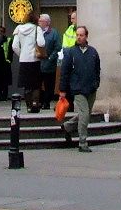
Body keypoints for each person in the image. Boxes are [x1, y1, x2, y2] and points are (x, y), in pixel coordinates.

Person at [59, 24, 102, 152]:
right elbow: (64, 72)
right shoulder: (71, 52)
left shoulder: (93, 52)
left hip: (91, 88)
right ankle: (82, 142)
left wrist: (96, 83)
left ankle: (67, 126)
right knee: (84, 115)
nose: (79, 37)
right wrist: (62, 90)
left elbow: (97, 69)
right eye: (77, 35)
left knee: (86, 114)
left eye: (81, 35)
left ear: (86, 36)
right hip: (77, 88)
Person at [8, 14, 41, 111]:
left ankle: (29, 106)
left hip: (23, 60)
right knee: (35, 84)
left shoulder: (18, 28)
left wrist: (21, 54)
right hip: (35, 59)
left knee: (26, 85)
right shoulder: (37, 29)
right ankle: (35, 103)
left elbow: (14, 46)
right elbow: (41, 43)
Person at [36, 14, 62, 112]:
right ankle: (38, 102)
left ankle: (46, 103)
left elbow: (58, 47)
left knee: (49, 85)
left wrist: (51, 58)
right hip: (38, 63)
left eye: (41, 21)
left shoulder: (54, 33)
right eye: (39, 21)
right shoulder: (37, 32)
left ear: (47, 22)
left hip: (49, 64)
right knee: (37, 84)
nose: (39, 23)